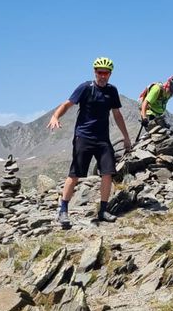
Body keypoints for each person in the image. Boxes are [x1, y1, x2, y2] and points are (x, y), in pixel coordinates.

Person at [47, 57, 132, 227]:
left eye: (106, 73)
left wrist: (126, 137)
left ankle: (103, 210)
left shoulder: (112, 91)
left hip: (102, 139)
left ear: (110, 74)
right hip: (83, 137)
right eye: (100, 72)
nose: (102, 75)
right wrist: (55, 116)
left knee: (108, 173)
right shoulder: (85, 88)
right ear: (95, 72)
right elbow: (67, 104)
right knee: (75, 174)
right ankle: (63, 211)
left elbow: (117, 115)